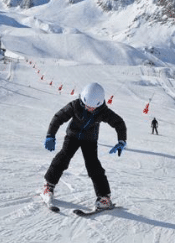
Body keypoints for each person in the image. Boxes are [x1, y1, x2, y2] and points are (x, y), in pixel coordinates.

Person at [42, 82, 127, 210]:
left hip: (90, 140)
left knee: (93, 165)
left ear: (99, 103)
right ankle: (48, 186)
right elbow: (59, 117)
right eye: (87, 105)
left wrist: (121, 140)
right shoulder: (75, 105)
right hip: (72, 136)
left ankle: (104, 197)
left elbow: (119, 123)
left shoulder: (103, 111)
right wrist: (50, 135)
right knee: (63, 157)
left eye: (93, 107)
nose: (89, 109)